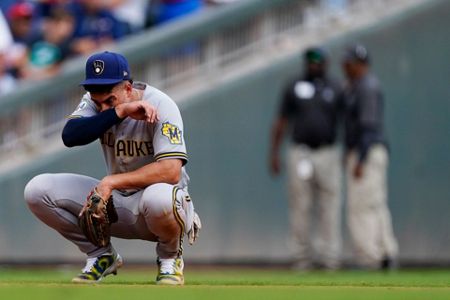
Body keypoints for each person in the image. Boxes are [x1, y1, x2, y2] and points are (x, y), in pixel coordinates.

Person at [24, 51, 201, 285]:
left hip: (160, 206)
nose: (103, 107)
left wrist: (110, 182)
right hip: (117, 203)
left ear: (128, 88)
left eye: (110, 101)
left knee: (160, 198)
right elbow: (70, 135)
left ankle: (170, 259)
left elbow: (170, 171)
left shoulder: (161, 105)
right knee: (37, 190)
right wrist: (119, 111)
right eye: (98, 102)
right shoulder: (97, 102)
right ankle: (100, 255)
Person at [270, 47, 343, 271]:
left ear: (326, 63)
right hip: (300, 151)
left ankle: (329, 257)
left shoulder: (335, 87)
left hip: (327, 151)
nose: (314, 65)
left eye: (318, 61)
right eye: (310, 61)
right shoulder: (294, 85)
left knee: (329, 204)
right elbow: (281, 121)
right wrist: (274, 152)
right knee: (300, 205)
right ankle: (301, 257)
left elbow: (347, 119)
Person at [341, 44, 398, 270]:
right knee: (375, 205)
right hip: (371, 150)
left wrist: (361, 159)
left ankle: (370, 258)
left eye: (349, 62)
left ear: (360, 64)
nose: (345, 66)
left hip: (367, 151)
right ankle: (386, 253)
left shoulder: (366, 87)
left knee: (361, 207)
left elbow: (368, 125)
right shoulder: (357, 86)